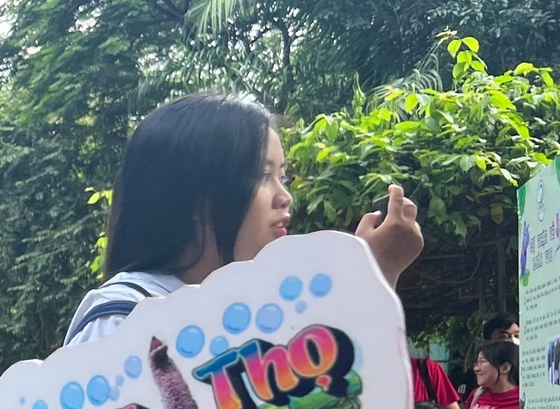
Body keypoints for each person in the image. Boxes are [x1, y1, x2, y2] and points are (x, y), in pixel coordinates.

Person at [65, 94, 424, 346]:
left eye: (281, 176)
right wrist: (372, 277)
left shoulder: (245, 314)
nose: (286, 197)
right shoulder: (119, 321)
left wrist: (378, 276)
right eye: (260, 175)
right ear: (193, 193)